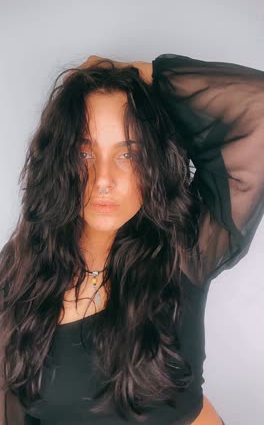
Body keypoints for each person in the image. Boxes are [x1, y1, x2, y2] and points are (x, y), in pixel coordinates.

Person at [0, 53, 263, 425]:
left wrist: (137, 75)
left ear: (153, 164)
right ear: (60, 162)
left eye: (128, 154)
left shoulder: (185, 248)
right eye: (85, 151)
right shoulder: (20, 273)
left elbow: (259, 108)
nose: (103, 178)